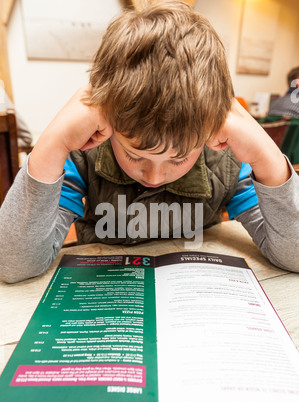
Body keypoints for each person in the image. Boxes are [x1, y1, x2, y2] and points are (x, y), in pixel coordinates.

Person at [0, 0, 298, 284]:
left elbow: (294, 255)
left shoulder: (228, 161)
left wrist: (267, 157)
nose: (155, 176)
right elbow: (14, 265)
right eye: (136, 155)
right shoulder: (83, 155)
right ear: (107, 125)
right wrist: (54, 141)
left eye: (179, 158)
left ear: (211, 133)